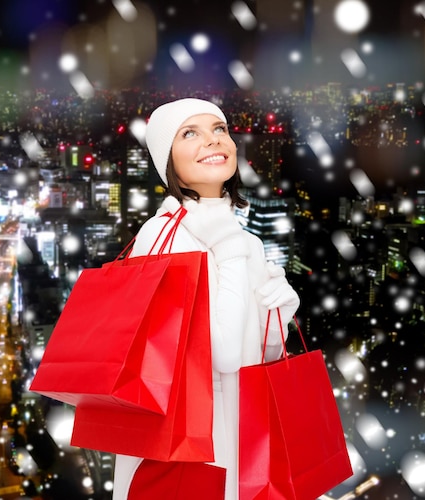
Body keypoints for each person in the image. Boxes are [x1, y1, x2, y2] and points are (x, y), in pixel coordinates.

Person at [112, 97, 300, 499]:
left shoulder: (243, 238)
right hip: (190, 446)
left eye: (219, 129)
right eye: (189, 133)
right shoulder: (163, 234)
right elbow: (224, 354)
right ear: (169, 160)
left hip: (237, 434)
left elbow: (257, 356)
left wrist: (279, 312)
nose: (213, 141)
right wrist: (231, 250)